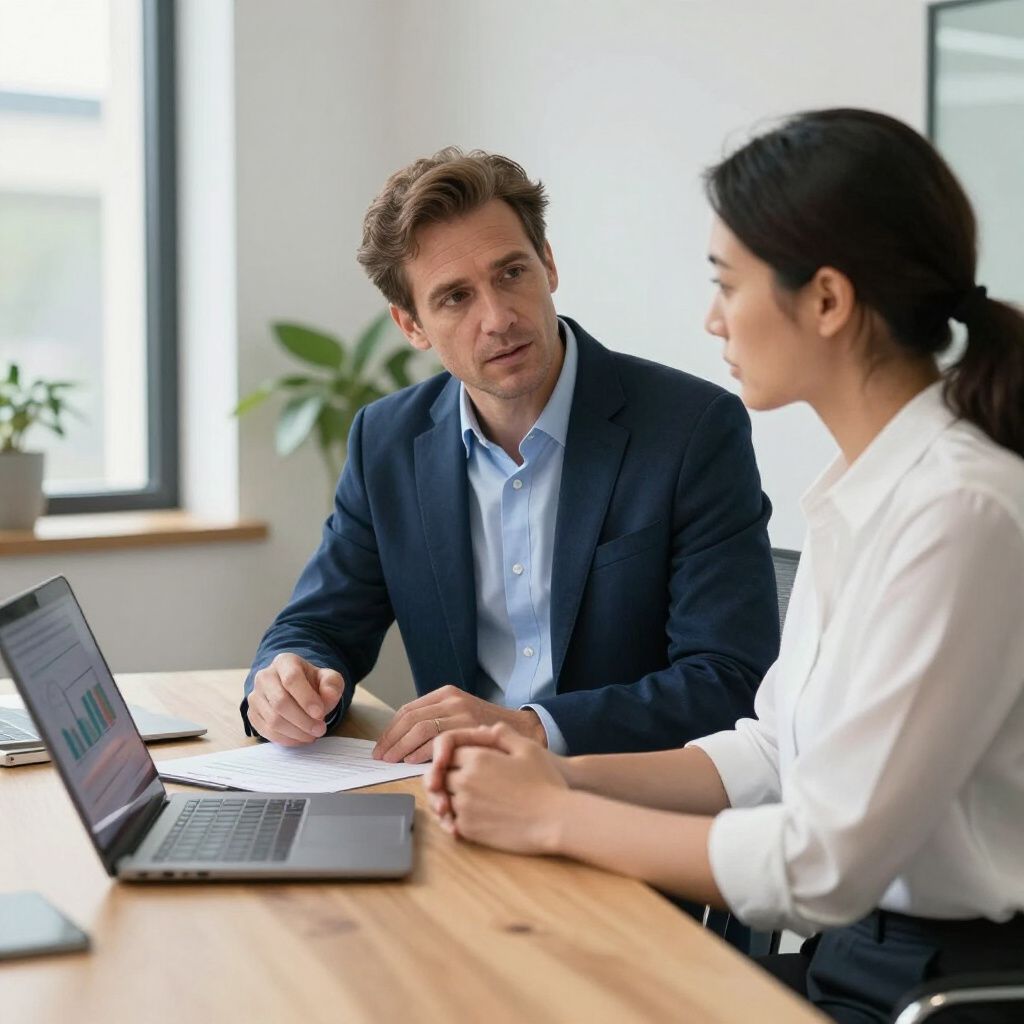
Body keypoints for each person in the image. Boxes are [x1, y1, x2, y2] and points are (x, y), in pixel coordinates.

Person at [424, 110, 1024, 1023]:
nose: (711, 316)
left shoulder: (960, 512)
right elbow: (770, 751)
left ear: (825, 300)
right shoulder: (862, 492)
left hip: (945, 989)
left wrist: (552, 820)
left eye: (726, 282)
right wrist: (552, 771)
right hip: (861, 959)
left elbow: (819, 864)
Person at [240, 148, 779, 762]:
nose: (497, 318)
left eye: (511, 273)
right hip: (466, 803)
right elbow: (318, 626)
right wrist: (291, 683)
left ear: (548, 265)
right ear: (411, 324)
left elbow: (730, 679)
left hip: (627, 801)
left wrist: (530, 727)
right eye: (454, 298)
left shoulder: (690, 429)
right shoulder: (385, 440)